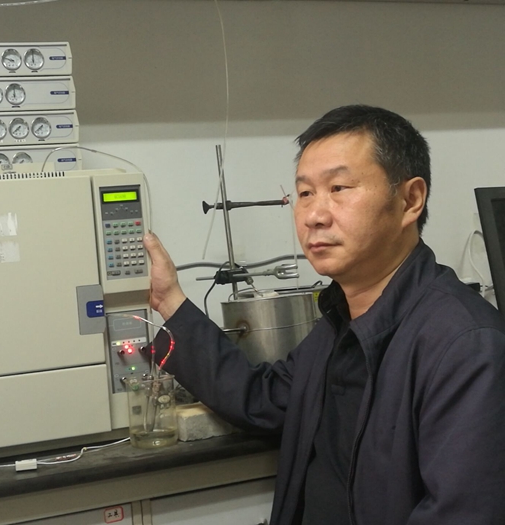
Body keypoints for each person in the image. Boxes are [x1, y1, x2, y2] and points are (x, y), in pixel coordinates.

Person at [143, 105, 505, 525]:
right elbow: (262, 400)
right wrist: (169, 300)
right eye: (305, 193)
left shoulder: (466, 346)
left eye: (339, 188)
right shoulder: (341, 322)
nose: (314, 215)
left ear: (410, 200)